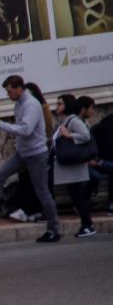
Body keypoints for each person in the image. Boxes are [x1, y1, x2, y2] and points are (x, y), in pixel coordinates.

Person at [0, 75, 62, 241]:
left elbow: (26, 130)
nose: (8, 95)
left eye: (9, 91)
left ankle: (54, 229)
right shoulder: (19, 103)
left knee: (42, 191)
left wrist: (2, 124)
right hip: (22, 153)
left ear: (18, 88)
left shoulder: (31, 104)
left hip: (36, 154)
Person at [52, 94, 97, 238]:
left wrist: (69, 135)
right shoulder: (63, 121)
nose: (56, 107)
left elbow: (85, 136)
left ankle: (87, 225)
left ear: (68, 105)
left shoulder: (73, 121)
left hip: (74, 167)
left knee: (77, 196)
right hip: (68, 167)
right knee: (76, 195)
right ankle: (87, 224)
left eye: (60, 104)